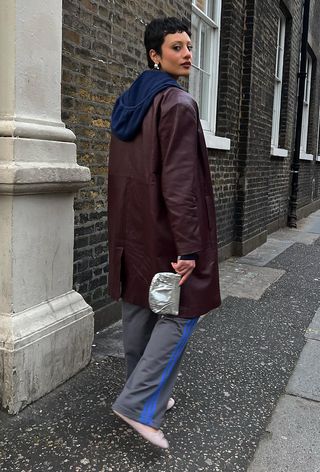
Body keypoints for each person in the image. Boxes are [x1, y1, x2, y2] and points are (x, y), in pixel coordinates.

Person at [107, 16, 221, 449]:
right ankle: (138, 405)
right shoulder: (176, 103)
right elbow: (180, 181)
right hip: (169, 229)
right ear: (155, 55)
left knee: (140, 306)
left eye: (189, 46)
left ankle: (147, 393)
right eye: (177, 47)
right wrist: (189, 245)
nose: (188, 53)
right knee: (183, 312)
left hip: (133, 229)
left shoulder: (127, 103)